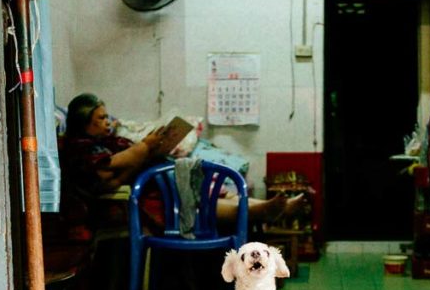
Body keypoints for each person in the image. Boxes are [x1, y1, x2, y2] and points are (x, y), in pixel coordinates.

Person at [59, 93, 302, 228]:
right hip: (137, 197)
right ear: (84, 122)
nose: (108, 122)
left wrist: (149, 151)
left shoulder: (108, 141)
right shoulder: (81, 148)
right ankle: (260, 211)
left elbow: (123, 163)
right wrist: (145, 150)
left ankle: (264, 207)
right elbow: (106, 176)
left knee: (213, 190)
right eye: (100, 118)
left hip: (149, 182)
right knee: (194, 202)